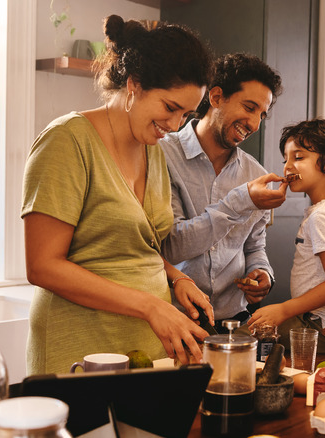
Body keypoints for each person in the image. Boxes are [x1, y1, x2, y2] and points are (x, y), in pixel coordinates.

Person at [21, 15, 215, 374]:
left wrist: (176, 277)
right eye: (170, 107)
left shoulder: (153, 149)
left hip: (145, 350)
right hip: (79, 349)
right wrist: (151, 306)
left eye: (186, 115)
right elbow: (42, 265)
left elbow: (130, 245)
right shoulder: (67, 140)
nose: (175, 126)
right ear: (134, 84)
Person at [159, 53, 285, 331]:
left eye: (261, 115)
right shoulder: (161, 155)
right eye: (249, 107)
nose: (254, 124)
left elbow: (254, 246)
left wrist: (263, 273)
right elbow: (172, 247)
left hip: (234, 323)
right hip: (174, 321)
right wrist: (239, 201)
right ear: (216, 97)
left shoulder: (256, 174)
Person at [248, 117, 325, 341]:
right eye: (285, 159)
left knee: (245, 337)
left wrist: (283, 310)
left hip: (324, 325)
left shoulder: (322, 216)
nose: (287, 166)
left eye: (299, 157)